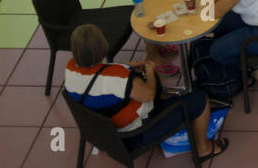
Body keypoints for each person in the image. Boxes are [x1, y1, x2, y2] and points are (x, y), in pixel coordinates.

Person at [64, 24, 227, 161]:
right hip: (134, 136)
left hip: (104, 133)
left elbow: (101, 79)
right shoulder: (119, 79)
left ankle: (165, 107)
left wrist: (125, 67)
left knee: (149, 82)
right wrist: (149, 71)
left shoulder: (70, 69)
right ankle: (203, 149)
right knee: (198, 99)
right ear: (102, 46)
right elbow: (148, 94)